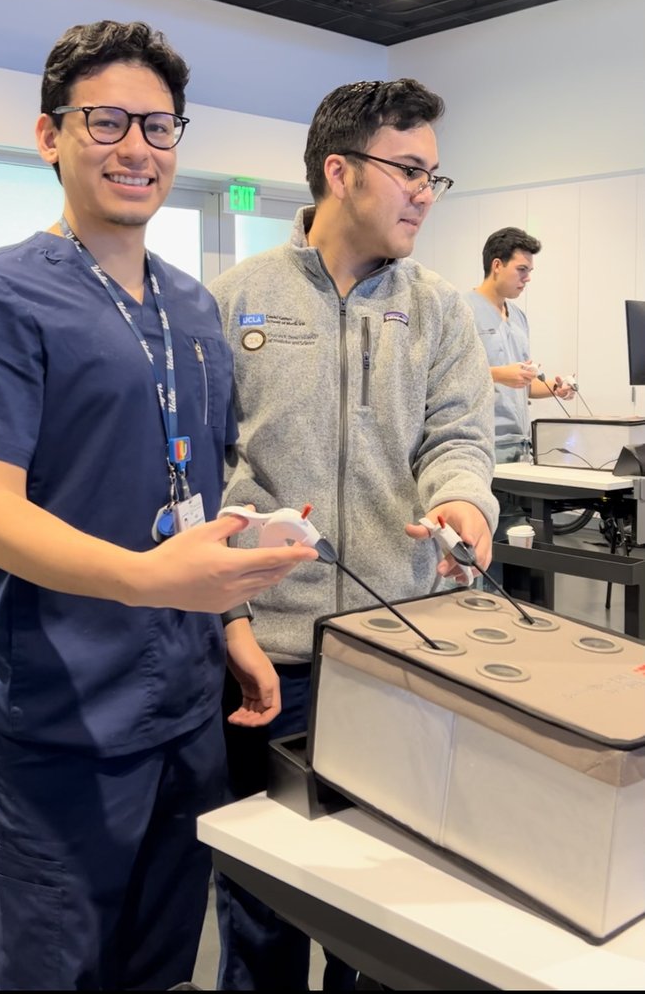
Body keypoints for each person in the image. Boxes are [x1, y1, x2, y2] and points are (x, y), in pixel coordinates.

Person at [0, 19, 317, 992]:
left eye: (158, 127)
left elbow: (193, 490)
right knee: (52, 966)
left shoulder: (190, 304)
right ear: (50, 136)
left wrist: (234, 624)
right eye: (107, 122)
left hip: (184, 703)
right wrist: (144, 579)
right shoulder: (1, 298)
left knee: (160, 960)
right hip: (63, 710)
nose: (136, 148)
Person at [209, 77, 500, 991]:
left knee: (378, 905)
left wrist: (464, 505)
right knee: (261, 901)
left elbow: (460, 438)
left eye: (434, 176)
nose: (425, 191)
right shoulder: (233, 299)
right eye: (409, 170)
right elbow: (210, 472)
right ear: (340, 171)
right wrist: (234, 623)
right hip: (271, 656)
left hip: (396, 649)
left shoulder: (442, 310)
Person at [464, 226, 575, 545]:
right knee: (486, 542)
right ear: (497, 265)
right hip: (484, 446)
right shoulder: (462, 310)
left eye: (530, 271)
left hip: (520, 448)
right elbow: (446, 377)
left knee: (521, 543)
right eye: (521, 270)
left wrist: (554, 385)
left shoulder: (519, 317)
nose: (527, 278)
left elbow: (524, 383)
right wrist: (499, 374)